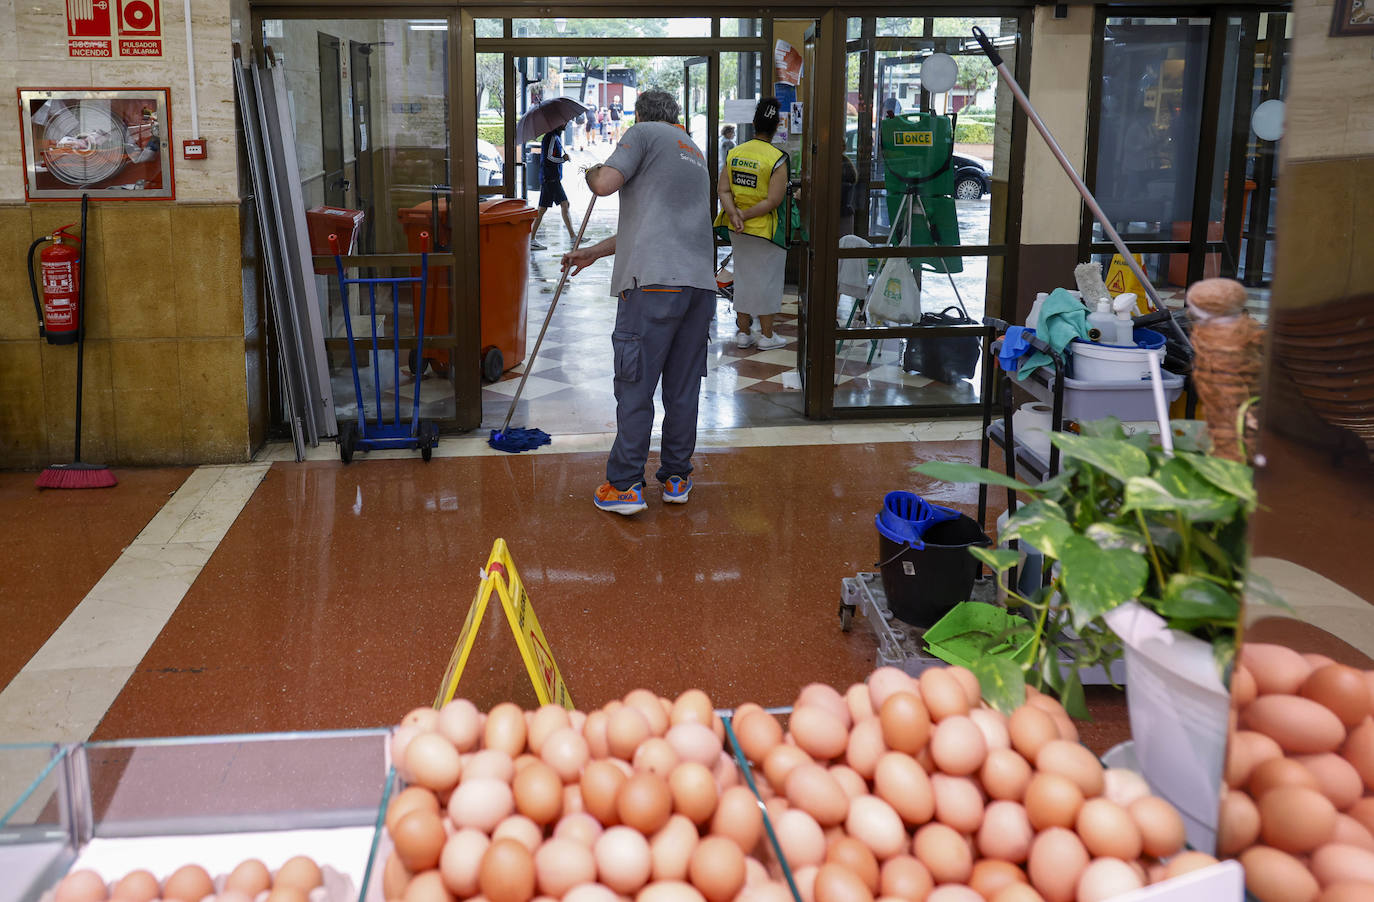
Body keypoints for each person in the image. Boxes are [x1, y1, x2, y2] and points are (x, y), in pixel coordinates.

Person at [560, 90, 717, 516]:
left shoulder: (643, 132)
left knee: (635, 387)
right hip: (698, 288)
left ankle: (625, 485)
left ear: (642, 115)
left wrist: (590, 168)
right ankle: (677, 477)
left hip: (652, 289)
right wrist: (592, 251)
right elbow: (649, 227)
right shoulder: (693, 152)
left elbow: (605, 184)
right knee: (683, 390)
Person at [716, 97, 789, 351]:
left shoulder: (735, 153)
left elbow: (722, 190)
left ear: (754, 124)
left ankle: (743, 333)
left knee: (744, 278)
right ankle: (767, 336)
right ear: (776, 126)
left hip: (739, 231)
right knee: (766, 280)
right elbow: (773, 200)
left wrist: (735, 214)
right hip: (765, 231)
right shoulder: (777, 157)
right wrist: (744, 216)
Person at [530, 129, 575, 250]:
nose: (565, 124)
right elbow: (548, 158)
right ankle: (573, 237)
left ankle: (531, 239)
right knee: (562, 205)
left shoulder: (554, 136)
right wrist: (563, 159)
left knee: (544, 209)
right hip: (550, 178)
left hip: (550, 178)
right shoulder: (551, 137)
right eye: (564, 122)